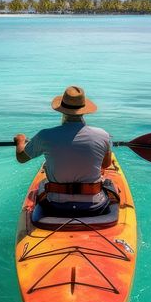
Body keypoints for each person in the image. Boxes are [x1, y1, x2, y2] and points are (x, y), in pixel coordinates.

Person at [14, 86, 114, 215]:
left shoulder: (45, 135)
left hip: (56, 206)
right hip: (94, 206)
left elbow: (21, 158)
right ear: (84, 110)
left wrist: (20, 141)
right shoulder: (103, 135)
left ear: (62, 110)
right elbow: (105, 164)